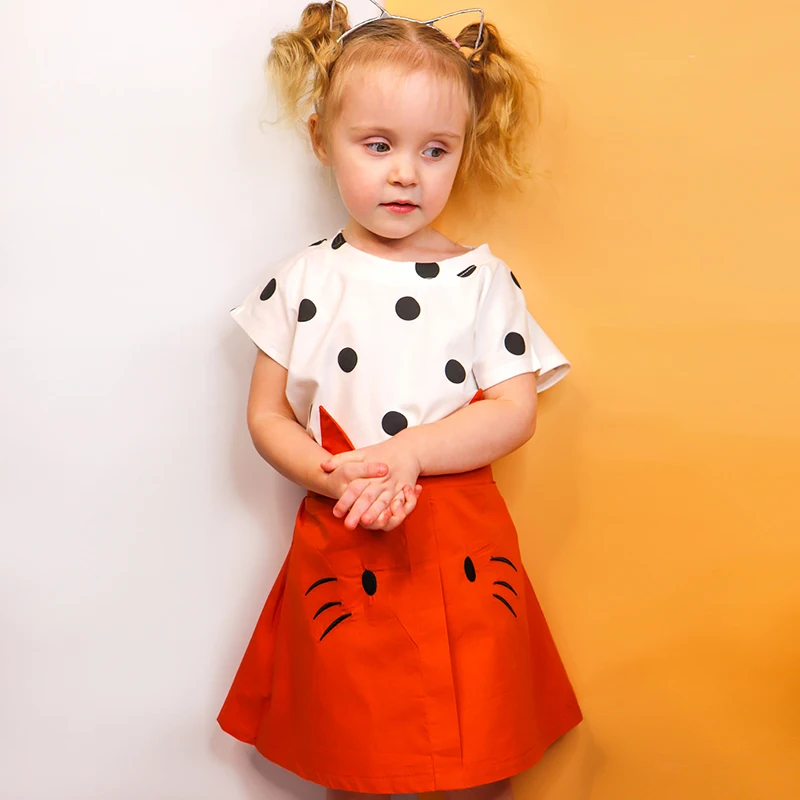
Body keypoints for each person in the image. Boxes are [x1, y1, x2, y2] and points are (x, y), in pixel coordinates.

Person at [217, 2, 582, 798]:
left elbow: (512, 409)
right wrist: (333, 473)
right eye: (378, 145)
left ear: (462, 151)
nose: (406, 173)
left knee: (479, 745)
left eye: (435, 149)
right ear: (322, 138)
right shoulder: (302, 280)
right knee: (356, 752)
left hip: (462, 544)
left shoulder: (483, 281)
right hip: (347, 531)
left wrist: (406, 454)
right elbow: (267, 415)